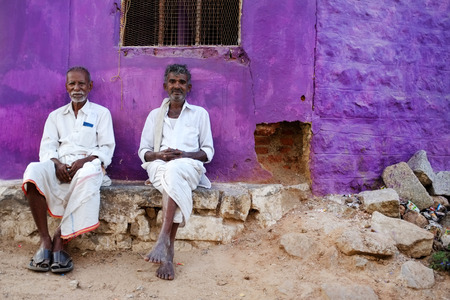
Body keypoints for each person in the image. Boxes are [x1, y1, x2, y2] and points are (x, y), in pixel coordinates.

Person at [22, 66, 115, 273]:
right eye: (72, 83)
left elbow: (106, 149)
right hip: (60, 165)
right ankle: (45, 240)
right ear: (66, 87)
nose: (77, 88)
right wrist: (57, 165)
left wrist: (84, 161)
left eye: (81, 83)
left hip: (88, 165)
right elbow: (47, 148)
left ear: (90, 86)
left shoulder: (101, 113)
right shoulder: (55, 116)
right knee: (33, 171)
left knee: (88, 174)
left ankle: (60, 240)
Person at [138, 64, 214, 280]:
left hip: (189, 166)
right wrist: (160, 155)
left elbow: (208, 152)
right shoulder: (154, 116)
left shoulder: (200, 114)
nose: (177, 86)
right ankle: (168, 252)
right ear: (165, 86)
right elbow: (143, 152)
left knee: (175, 171)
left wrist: (184, 155)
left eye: (181, 82)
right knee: (171, 174)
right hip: (159, 166)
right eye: (173, 81)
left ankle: (163, 239)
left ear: (188, 87)